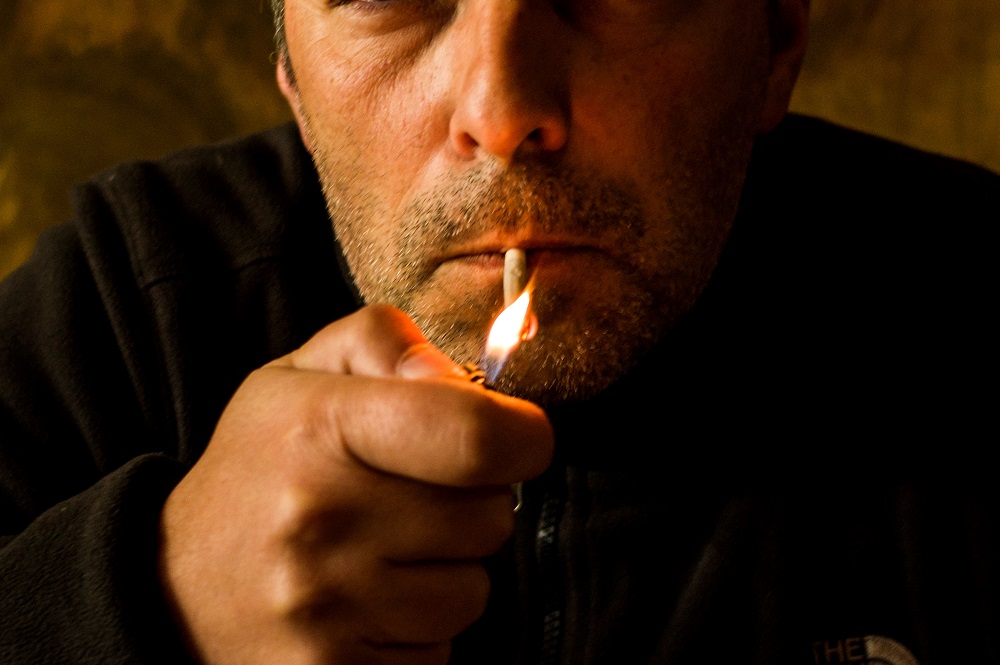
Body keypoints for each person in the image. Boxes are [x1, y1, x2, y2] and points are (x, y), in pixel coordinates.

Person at [1, 0, 997, 663]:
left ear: (774, 41)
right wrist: (148, 597)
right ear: (293, 77)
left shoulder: (966, 310)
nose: (503, 108)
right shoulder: (130, 304)